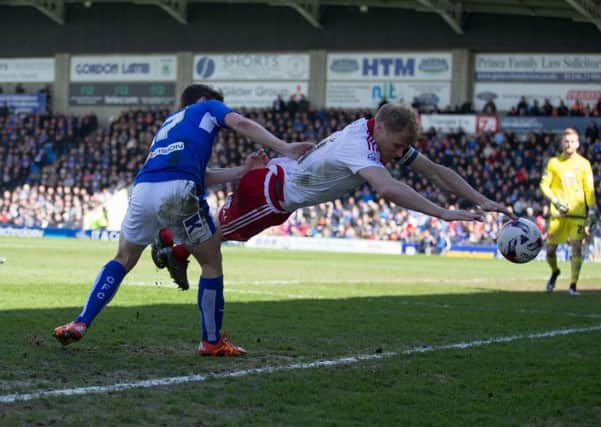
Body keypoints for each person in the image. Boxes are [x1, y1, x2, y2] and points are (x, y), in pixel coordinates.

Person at [52, 84, 314, 356]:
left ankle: (80, 321)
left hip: (142, 189)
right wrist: (286, 148)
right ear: (202, 99)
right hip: (179, 189)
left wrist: (243, 170)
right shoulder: (207, 107)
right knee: (211, 262)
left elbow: (201, 173)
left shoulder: (169, 123)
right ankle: (211, 341)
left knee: (123, 258)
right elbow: (242, 123)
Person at [155, 103, 512, 271]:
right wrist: (442, 213)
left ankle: (175, 249)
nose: (400, 154)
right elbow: (387, 190)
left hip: (275, 187)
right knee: (213, 237)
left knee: (221, 232)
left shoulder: (371, 132)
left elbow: (434, 170)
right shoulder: (361, 148)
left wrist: (482, 199)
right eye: (399, 145)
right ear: (384, 128)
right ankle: (168, 240)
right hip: (269, 193)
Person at [539, 128, 596, 296]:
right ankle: (555, 271)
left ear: (578, 144)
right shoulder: (553, 163)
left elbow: (589, 189)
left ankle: (572, 285)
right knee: (549, 251)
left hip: (577, 215)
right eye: (566, 141)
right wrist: (555, 201)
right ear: (562, 143)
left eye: (572, 141)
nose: (569, 144)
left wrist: (592, 210)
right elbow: (543, 185)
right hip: (558, 215)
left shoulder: (584, 164)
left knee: (576, 248)